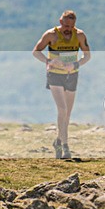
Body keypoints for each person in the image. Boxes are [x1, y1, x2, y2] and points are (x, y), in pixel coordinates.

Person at [32, 10, 91, 159]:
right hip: (55, 75)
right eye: (65, 26)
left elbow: (87, 55)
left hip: (71, 75)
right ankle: (66, 147)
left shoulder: (79, 35)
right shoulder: (51, 35)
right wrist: (48, 61)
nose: (68, 29)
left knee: (67, 114)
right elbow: (36, 51)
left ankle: (58, 141)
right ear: (60, 22)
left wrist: (76, 64)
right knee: (62, 109)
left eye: (71, 27)